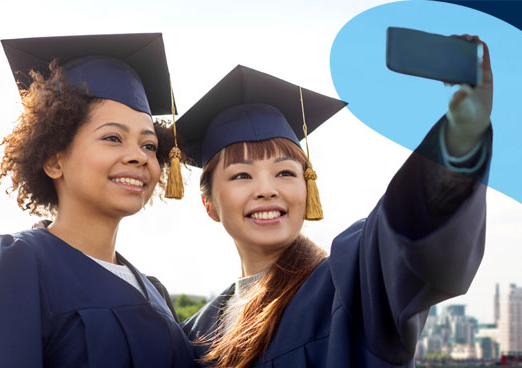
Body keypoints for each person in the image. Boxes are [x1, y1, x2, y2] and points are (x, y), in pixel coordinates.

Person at [178, 36, 493, 367]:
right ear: (209, 203)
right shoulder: (197, 333)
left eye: (285, 173)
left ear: (307, 187)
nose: (267, 189)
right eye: (242, 176)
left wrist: (460, 140)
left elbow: (403, 231)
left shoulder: (350, 284)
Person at [0, 33, 196, 367]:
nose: (138, 157)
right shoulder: (15, 267)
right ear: (54, 160)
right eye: (113, 138)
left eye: (149, 146)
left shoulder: (155, 292)